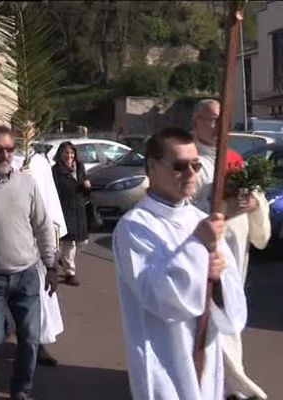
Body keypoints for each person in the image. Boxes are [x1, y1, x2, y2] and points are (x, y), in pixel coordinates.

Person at [112, 127, 247, 400]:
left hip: (205, 354)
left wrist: (218, 278)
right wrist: (198, 247)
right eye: (179, 166)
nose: (190, 174)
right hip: (164, 358)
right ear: (152, 166)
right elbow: (160, 298)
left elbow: (231, 308)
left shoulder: (202, 220)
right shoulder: (134, 228)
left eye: (195, 165)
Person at [191, 99, 270, 399]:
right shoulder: (189, 159)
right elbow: (186, 209)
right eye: (211, 119)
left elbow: (257, 195)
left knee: (231, 314)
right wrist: (224, 208)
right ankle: (231, 385)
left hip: (237, 252)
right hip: (207, 254)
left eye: (222, 119)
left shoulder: (235, 158)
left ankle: (225, 382)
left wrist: (254, 203)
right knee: (213, 317)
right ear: (195, 122)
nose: (217, 126)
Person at [0, 125, 58, 400]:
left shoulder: (27, 183)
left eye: (9, 149)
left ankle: (21, 389)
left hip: (26, 274)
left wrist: (52, 265)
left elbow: (43, 226)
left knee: (30, 337)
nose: (5, 155)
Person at [11, 145, 66, 367]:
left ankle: (38, 342)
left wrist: (56, 234)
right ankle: (19, 335)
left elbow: (50, 199)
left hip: (39, 236)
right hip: (16, 235)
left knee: (41, 293)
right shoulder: (9, 161)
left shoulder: (40, 163)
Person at [51, 142, 91, 287]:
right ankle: (70, 272)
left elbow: (84, 185)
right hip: (65, 207)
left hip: (79, 207)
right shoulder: (56, 171)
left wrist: (87, 186)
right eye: (66, 153)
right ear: (60, 154)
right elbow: (53, 190)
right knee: (70, 242)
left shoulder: (79, 167)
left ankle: (63, 259)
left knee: (82, 241)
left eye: (71, 153)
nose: (69, 156)